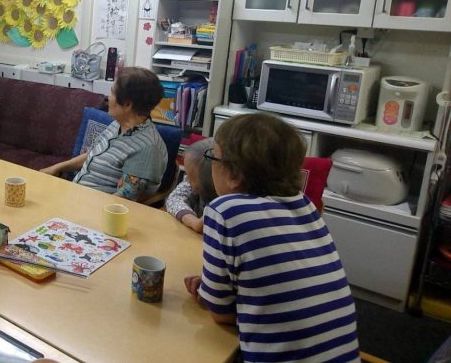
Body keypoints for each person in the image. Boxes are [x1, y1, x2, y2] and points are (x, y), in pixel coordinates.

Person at [184, 113, 359, 362]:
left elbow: (220, 313)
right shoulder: (305, 205)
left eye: (213, 157)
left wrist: (211, 293)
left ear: (234, 175)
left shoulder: (225, 211)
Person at [41, 67, 167, 201]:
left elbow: (123, 199)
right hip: (75, 196)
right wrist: (55, 168)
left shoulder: (147, 149)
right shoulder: (117, 124)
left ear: (127, 104)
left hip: (94, 210)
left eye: (112, 92)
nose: (108, 98)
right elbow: (93, 154)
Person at [165, 138, 217, 233]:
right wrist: (193, 222)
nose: (186, 179)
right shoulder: (189, 183)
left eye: (190, 176)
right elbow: (174, 198)